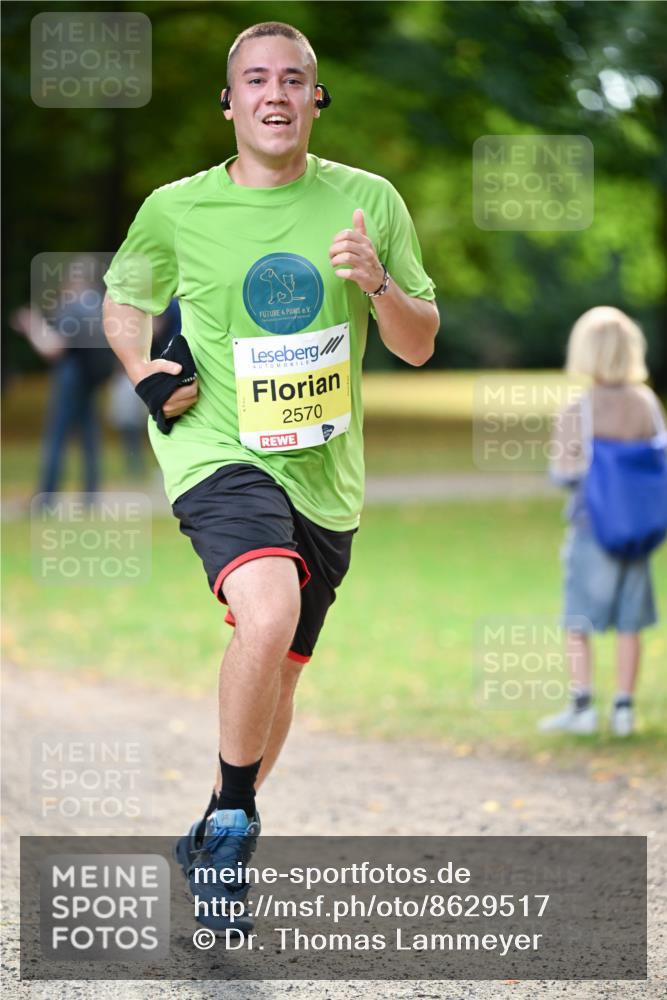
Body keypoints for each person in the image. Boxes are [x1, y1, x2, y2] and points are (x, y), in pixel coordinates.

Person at [102, 21, 438, 929]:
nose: (276, 95)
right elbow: (124, 301)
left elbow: (416, 344)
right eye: (256, 80)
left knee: (280, 669)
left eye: (294, 80)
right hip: (217, 447)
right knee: (269, 609)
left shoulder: (369, 202)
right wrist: (144, 374)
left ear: (316, 99)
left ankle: (217, 816)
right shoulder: (177, 208)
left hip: (326, 476)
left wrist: (375, 282)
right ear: (230, 101)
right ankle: (239, 822)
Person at [540, 306, 665, 738]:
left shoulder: (579, 409)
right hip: (638, 532)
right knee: (631, 622)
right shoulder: (646, 403)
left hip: (593, 528)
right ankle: (624, 709)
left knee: (580, 620)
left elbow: (564, 473)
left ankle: (582, 706)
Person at [11, 255, 115, 499]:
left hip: (71, 373)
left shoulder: (72, 305)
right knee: (89, 435)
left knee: (57, 434)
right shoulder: (99, 303)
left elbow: (53, 348)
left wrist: (32, 325)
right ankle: (91, 494)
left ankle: (46, 496)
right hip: (92, 376)